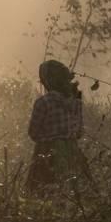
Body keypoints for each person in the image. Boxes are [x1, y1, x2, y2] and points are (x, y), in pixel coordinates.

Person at [27, 59, 88, 195]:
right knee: (75, 192)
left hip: (47, 153)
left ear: (47, 82)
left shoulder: (43, 102)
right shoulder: (76, 101)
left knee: (43, 192)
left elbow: (33, 133)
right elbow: (79, 132)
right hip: (72, 152)